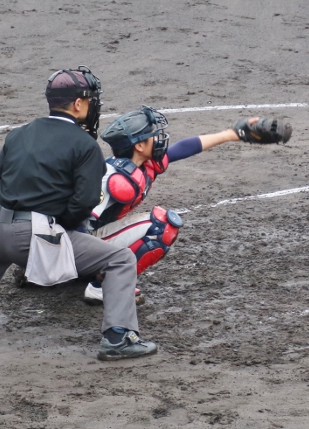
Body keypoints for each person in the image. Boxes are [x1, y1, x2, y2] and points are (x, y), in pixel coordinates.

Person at [0, 66, 158, 361]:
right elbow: (84, 201)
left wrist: (6, 213)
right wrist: (61, 228)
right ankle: (118, 338)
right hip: (34, 236)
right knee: (120, 259)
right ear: (78, 104)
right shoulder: (84, 145)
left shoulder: (20, 134)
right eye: (91, 100)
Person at [77, 106, 292, 305]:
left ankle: (100, 271)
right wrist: (85, 261)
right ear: (139, 146)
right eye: (152, 135)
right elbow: (77, 225)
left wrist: (231, 134)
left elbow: (183, 148)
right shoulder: (111, 179)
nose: (159, 138)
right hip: (74, 249)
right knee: (161, 225)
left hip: (89, 246)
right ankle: (103, 287)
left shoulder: (141, 163)